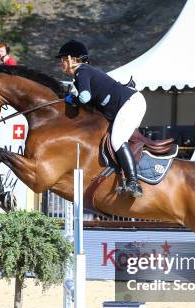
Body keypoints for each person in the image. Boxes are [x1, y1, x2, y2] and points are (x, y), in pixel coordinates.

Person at [56, 39, 146, 198]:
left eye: (63, 60)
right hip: (126, 106)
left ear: (72, 59)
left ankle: (134, 182)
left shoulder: (82, 71)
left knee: (117, 140)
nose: (61, 64)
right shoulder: (81, 74)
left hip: (131, 104)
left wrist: (72, 100)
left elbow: (84, 97)